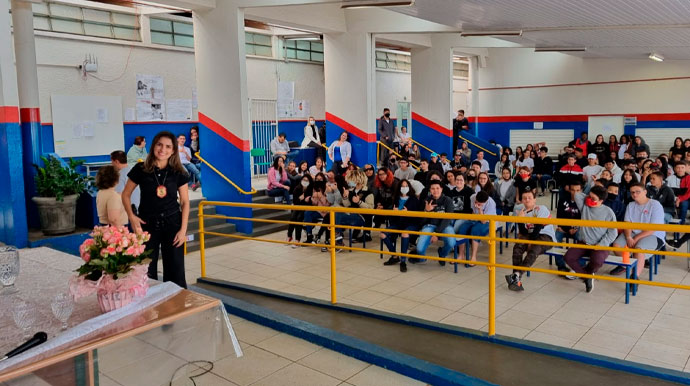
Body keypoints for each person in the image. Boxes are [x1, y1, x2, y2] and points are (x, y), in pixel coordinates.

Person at [122, 131, 190, 289]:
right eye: (159, 144)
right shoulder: (141, 169)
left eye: (168, 146)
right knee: (145, 271)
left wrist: (183, 230)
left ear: (173, 151)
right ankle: (146, 308)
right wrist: (132, 217)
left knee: (176, 271)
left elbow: (185, 202)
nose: (162, 149)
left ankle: (176, 307)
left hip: (173, 224)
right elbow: (125, 195)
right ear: (153, 146)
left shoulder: (179, 172)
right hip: (147, 224)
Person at [562, 185, 618, 293]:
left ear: (601, 201)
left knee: (597, 261)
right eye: (589, 197)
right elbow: (577, 195)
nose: (589, 200)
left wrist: (601, 244)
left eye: (593, 199)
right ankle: (587, 277)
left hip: (600, 245)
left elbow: (613, 232)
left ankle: (587, 273)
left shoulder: (608, 212)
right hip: (584, 243)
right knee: (568, 257)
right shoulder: (585, 206)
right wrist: (590, 193)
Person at [609, 183, 665, 278]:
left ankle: (635, 277)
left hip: (652, 235)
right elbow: (627, 224)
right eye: (632, 192)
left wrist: (636, 238)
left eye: (638, 192)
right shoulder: (630, 205)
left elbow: (653, 228)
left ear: (645, 192)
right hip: (633, 232)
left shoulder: (655, 205)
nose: (635, 194)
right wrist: (628, 237)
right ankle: (626, 264)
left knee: (638, 250)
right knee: (616, 246)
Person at [505, 190, 556, 291]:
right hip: (529, 235)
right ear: (522, 200)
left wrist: (529, 243)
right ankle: (517, 280)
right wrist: (520, 220)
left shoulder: (541, 209)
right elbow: (524, 232)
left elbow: (536, 231)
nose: (527, 200)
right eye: (524, 198)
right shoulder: (522, 212)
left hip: (545, 236)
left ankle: (516, 274)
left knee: (534, 249)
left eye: (529, 198)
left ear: (534, 200)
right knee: (517, 248)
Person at [410, 180, 456, 265]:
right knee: (419, 249)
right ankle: (421, 259)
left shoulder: (448, 200)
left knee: (451, 242)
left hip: (445, 226)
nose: (435, 190)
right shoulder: (426, 201)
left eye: (437, 188)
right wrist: (426, 211)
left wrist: (436, 233)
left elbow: (448, 219)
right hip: (429, 226)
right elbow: (421, 221)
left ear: (441, 189)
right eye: (433, 189)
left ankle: (442, 254)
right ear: (430, 190)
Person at [382, 179, 421, 272]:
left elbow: (418, 216)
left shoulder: (414, 199)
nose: (404, 188)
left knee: (404, 233)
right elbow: (391, 216)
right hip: (398, 224)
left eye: (406, 186)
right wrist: (394, 213)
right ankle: (395, 256)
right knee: (383, 234)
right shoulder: (395, 198)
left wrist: (408, 213)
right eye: (402, 186)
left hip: (411, 224)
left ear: (409, 187)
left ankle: (403, 261)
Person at [334, 170, 374, 250]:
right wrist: (345, 197)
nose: (349, 182)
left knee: (337, 214)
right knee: (333, 215)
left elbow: (370, 209)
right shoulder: (351, 190)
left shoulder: (368, 193)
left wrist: (359, 202)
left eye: (351, 179)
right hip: (350, 214)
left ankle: (338, 241)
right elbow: (347, 205)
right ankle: (336, 239)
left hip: (362, 218)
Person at [456, 191, 497, 266]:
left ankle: (473, 257)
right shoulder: (472, 197)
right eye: (477, 201)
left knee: (475, 231)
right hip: (475, 218)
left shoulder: (491, 203)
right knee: (462, 229)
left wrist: (480, 210)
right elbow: (473, 212)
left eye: (480, 203)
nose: (478, 203)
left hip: (488, 222)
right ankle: (461, 255)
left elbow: (483, 221)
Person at [286, 174, 312, 247]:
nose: (305, 182)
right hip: (298, 206)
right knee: (292, 218)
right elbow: (295, 201)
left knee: (299, 218)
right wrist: (300, 199)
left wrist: (308, 199)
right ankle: (289, 236)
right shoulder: (297, 188)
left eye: (307, 180)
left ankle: (297, 239)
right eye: (304, 180)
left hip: (306, 208)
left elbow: (311, 202)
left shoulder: (311, 190)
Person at [111, 150, 140, 214]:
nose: (111, 164)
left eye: (112, 161)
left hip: (129, 211)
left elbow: (119, 195)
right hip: (139, 208)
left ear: (116, 162)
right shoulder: (134, 170)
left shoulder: (120, 175)